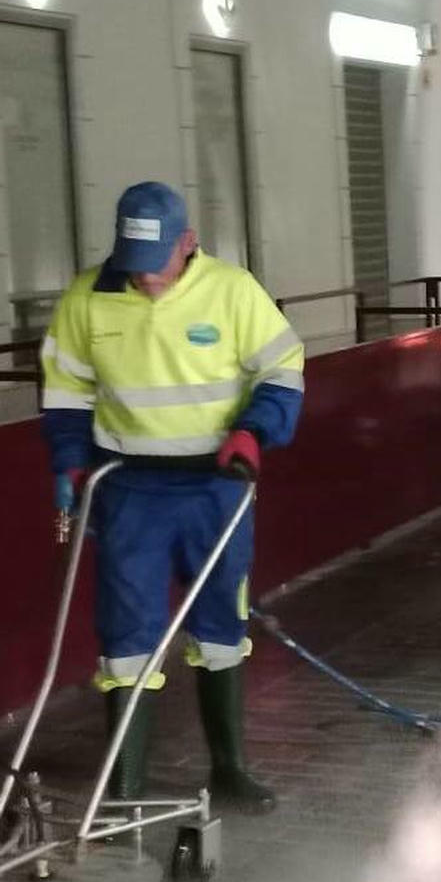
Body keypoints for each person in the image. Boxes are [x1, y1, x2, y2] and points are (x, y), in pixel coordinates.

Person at [39, 181, 304, 815]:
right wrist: (69, 464)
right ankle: (125, 788)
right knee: (127, 638)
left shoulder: (233, 291)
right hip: (128, 489)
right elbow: (65, 391)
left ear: (187, 243)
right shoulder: (86, 298)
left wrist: (253, 431)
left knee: (220, 628)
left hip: (217, 487)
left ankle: (231, 770)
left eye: (158, 264)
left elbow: (284, 369)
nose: (147, 280)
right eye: (136, 266)